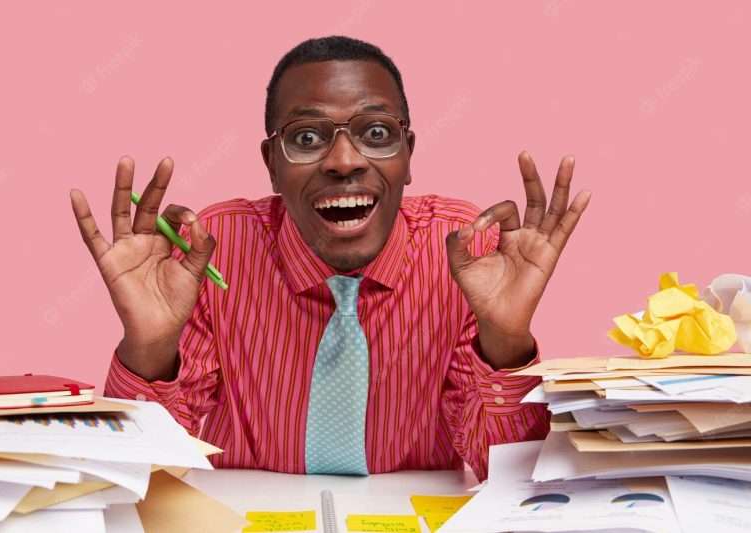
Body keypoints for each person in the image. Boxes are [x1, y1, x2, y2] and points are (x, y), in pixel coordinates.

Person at [70, 36, 590, 480]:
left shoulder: (465, 248)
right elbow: (148, 471)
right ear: (271, 165)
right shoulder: (212, 249)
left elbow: (504, 471)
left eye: (377, 133)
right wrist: (150, 345)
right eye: (308, 138)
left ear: (408, 156)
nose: (344, 161)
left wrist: (506, 339)